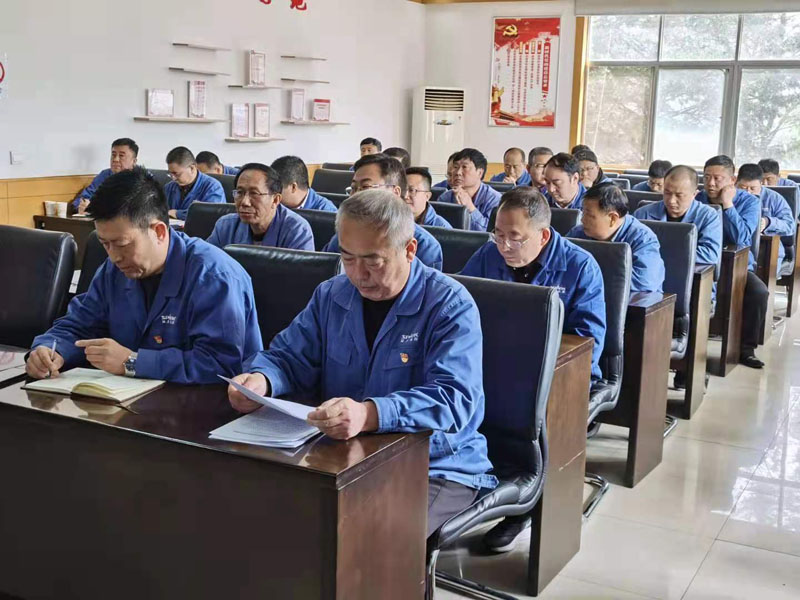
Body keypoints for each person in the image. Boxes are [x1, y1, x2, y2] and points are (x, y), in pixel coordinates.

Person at [227, 189, 496, 537]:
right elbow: (290, 356)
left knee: (375, 538)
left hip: (436, 464)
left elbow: (454, 399)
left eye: (373, 261)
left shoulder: (449, 305)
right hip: (347, 458)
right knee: (265, 512)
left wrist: (369, 414)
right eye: (347, 258)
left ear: (409, 250)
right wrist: (262, 380)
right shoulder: (332, 294)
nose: (358, 274)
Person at [461, 186, 605, 551]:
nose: (504, 246)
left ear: (543, 235)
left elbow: (587, 344)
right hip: (492, 367)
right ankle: (462, 483)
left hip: (557, 377)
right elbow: (460, 308)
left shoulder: (580, 266)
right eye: (498, 234)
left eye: (515, 237)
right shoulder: (487, 255)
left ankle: (526, 504)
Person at [26, 167, 262, 384]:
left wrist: (132, 362)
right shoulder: (113, 270)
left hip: (203, 406)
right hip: (130, 398)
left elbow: (221, 365)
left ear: (159, 231)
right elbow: (80, 324)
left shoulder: (213, 276)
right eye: (105, 244)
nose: (114, 256)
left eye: (122, 244)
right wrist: (50, 349)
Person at [633, 165, 722, 389]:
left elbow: (710, 255)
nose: (671, 201)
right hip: (649, 285)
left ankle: (688, 372)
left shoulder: (709, 216)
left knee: (693, 307)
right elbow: (630, 249)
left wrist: (654, 255)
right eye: (667, 193)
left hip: (692, 287)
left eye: (679, 195)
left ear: (694, 193)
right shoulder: (644, 213)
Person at [697, 155, 767, 369]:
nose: (710, 183)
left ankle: (746, 350)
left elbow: (741, 238)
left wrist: (727, 205)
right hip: (704, 264)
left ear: (732, 180)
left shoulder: (749, 202)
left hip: (737, 266)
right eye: (706, 177)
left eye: (717, 178)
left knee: (759, 292)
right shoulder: (697, 198)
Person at [323, 154, 443, 270]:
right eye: (353, 188)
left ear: (395, 193)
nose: (355, 196)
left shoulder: (426, 247)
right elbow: (327, 272)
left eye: (365, 187)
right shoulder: (345, 234)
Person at [568, 184, 665, 294]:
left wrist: (588, 275)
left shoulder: (643, 238)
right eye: (583, 212)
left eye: (589, 215)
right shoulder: (578, 233)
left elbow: (644, 282)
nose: (582, 220)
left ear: (613, 218)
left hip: (634, 301)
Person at [207, 163, 314, 251]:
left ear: (275, 200)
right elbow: (208, 262)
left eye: (254, 193)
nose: (245, 202)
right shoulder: (226, 226)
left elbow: (301, 271)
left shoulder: (297, 230)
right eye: (240, 192)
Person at [736, 163, 795, 265]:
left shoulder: (774, 198)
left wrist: (768, 222)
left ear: (760, 183)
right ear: (736, 182)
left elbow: (790, 226)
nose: (748, 193)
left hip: (769, 250)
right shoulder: (730, 196)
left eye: (753, 188)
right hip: (739, 248)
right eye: (743, 187)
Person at [438, 148, 502, 231]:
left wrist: (471, 208)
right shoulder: (445, 198)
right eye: (455, 167)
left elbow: (491, 233)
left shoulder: (495, 200)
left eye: (464, 167)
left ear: (480, 173)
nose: (458, 172)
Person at [72, 138, 139, 214]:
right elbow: (84, 198)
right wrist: (82, 206)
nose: (116, 159)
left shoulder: (142, 180)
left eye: (121, 156)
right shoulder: (105, 175)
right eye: (113, 155)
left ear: (134, 161)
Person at [163, 147, 225, 220]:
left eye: (176, 174)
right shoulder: (169, 187)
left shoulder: (213, 187)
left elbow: (210, 215)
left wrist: (177, 214)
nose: (173, 178)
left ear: (192, 168)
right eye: (170, 174)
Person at [270, 155, 338, 212]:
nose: (271, 192)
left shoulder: (326, 211)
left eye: (275, 188)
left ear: (293, 187)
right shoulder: (275, 206)